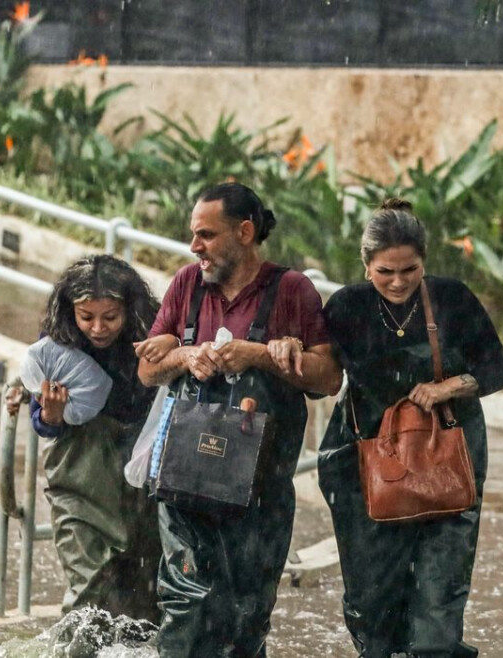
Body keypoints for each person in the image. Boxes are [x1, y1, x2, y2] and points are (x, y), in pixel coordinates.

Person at [136, 181, 342, 657]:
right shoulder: (187, 284)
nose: (194, 247)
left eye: (206, 235)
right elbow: (147, 369)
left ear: (245, 232)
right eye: (193, 235)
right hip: (186, 483)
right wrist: (186, 357)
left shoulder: (292, 290)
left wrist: (261, 356)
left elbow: (329, 377)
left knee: (244, 620)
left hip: (261, 493)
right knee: (187, 608)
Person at [317, 198, 503, 658]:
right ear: (366, 266)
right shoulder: (346, 306)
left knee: (441, 589)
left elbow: (499, 369)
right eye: (386, 271)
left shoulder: (452, 298)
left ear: (424, 262)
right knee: (370, 596)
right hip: (366, 462)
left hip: (447, 457)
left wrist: (448, 387)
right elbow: (322, 375)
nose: (399, 281)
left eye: (410, 269)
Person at [27, 254, 163, 623]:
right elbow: (41, 420)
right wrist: (51, 414)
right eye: (87, 317)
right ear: (71, 311)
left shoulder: (151, 337)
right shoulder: (56, 344)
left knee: (142, 600)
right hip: (80, 483)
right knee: (88, 594)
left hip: (141, 480)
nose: (98, 328)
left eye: (110, 317)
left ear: (128, 310)